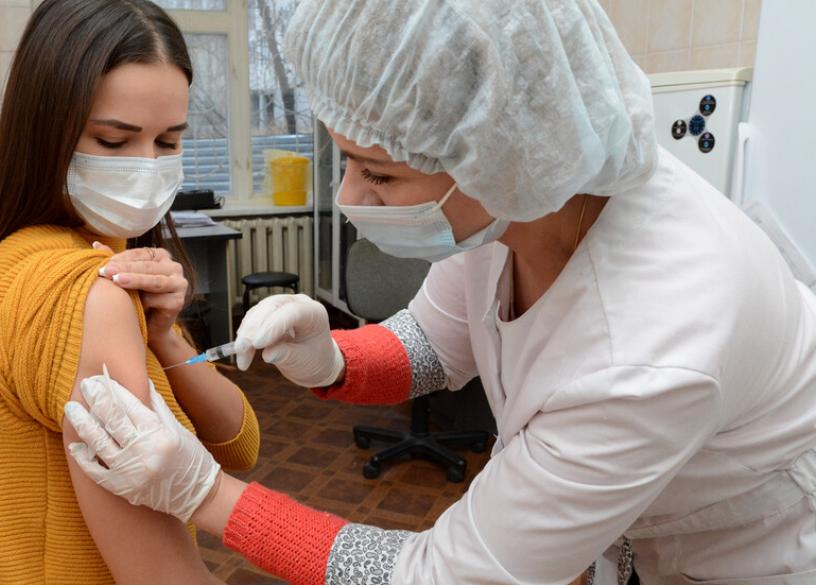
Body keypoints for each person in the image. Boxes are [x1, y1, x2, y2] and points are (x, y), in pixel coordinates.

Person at [63, 1, 816, 584]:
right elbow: (431, 343)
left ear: (497, 161)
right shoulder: (517, 202)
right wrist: (332, 358)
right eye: (345, 159)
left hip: (752, 553)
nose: (347, 196)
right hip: (635, 528)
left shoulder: (651, 345)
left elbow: (437, 576)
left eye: (379, 174)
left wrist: (204, 494)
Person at [0, 1, 259, 583]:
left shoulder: (24, 262)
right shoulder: (87, 294)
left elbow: (241, 445)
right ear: (45, 132)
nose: (146, 167)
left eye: (168, 142)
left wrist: (164, 337)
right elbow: (163, 578)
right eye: (113, 141)